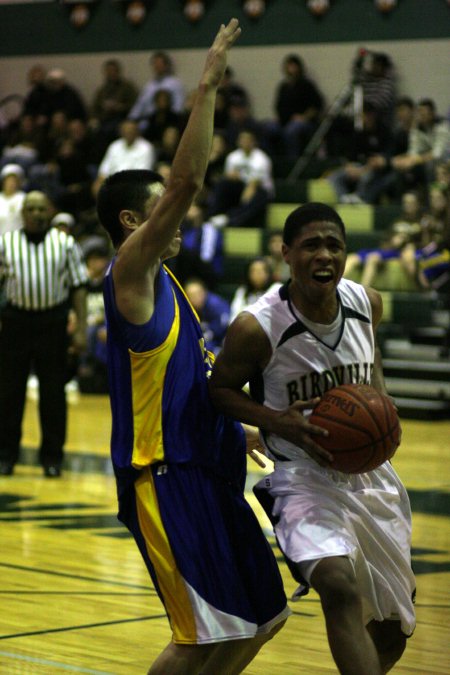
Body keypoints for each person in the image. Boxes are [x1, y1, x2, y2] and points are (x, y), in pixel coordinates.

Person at [96, 19, 289, 675]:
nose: (176, 214)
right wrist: (207, 82)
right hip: (165, 476)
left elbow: (192, 375)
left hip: (210, 467)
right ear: (133, 220)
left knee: (263, 618)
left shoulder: (174, 284)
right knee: (199, 638)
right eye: (158, 207)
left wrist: (239, 433)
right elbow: (184, 184)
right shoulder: (130, 273)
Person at [209, 202, 416, 675]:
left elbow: (372, 359)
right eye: (311, 245)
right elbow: (217, 391)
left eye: (334, 245)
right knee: (338, 587)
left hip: (371, 478)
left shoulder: (368, 303)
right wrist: (276, 421)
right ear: (286, 253)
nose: (324, 255)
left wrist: (381, 408)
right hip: (302, 480)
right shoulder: (257, 325)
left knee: (389, 633)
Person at [0, 190, 88, 477]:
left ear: (49, 211)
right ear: (22, 213)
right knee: (9, 392)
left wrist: (82, 331)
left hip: (53, 322)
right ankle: (6, 456)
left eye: (41, 209)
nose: (37, 214)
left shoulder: (64, 243)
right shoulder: (6, 243)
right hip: (16, 322)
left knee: (53, 393)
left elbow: (79, 287)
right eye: (31, 209)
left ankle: (52, 458)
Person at [92, 119, 156, 196]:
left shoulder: (146, 148)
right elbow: (103, 171)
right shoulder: (114, 146)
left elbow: (142, 176)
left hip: (134, 186)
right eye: (126, 130)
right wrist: (99, 183)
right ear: (121, 131)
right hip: (112, 184)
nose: (129, 133)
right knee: (96, 186)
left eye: (131, 130)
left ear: (137, 131)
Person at [184, 277, 230, 356]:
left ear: (204, 293)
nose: (194, 298)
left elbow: (221, 331)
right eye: (191, 295)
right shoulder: (187, 307)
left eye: (197, 294)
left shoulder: (216, 305)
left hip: (221, 344)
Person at [230, 256, 280, 321]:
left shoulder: (276, 289)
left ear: (268, 273)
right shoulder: (242, 291)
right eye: (253, 271)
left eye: (260, 271)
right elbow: (234, 316)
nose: (256, 275)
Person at [0, 163, 26, 234]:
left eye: (14, 181)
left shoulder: (23, 198)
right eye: (8, 180)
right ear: (3, 181)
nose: (11, 183)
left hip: (17, 239)